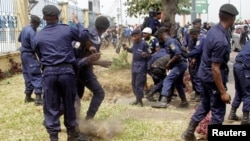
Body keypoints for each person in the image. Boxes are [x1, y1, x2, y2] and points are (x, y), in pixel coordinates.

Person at [32, 5, 91, 141]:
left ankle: (54, 137)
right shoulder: (67, 30)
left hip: (49, 73)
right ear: (58, 17)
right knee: (69, 103)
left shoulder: (38, 36)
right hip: (67, 72)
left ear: (44, 18)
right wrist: (77, 22)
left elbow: (39, 55)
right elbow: (84, 36)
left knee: (51, 105)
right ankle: (73, 135)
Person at [181, 3, 238, 141]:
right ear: (232, 19)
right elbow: (215, 68)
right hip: (212, 79)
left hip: (203, 76)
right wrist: (223, 92)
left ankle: (188, 133)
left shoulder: (213, 31)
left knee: (205, 105)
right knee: (218, 111)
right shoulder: (221, 40)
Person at [74, 16, 111, 120]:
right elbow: (85, 59)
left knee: (77, 97)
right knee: (99, 93)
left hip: (78, 69)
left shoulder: (86, 32)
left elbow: (80, 28)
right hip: (82, 70)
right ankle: (88, 120)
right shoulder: (92, 37)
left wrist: (76, 21)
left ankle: (74, 121)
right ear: (105, 29)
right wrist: (99, 62)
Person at [151, 27, 188, 108]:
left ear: (161, 34)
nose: (158, 38)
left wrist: (169, 63)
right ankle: (184, 101)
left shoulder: (170, 41)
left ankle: (163, 101)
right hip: (180, 64)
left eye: (158, 35)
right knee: (178, 83)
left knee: (168, 80)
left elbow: (177, 54)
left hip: (180, 64)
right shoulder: (168, 42)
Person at [18, 15, 43, 106]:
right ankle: (38, 98)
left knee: (27, 74)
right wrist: (40, 57)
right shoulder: (32, 32)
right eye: (38, 24)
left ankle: (28, 97)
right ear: (36, 23)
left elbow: (19, 39)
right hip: (29, 54)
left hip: (23, 54)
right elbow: (35, 46)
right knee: (36, 74)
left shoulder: (25, 28)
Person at [123, 29, 150, 107]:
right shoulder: (135, 43)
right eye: (133, 37)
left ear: (139, 35)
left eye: (135, 36)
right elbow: (133, 51)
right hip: (134, 67)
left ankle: (140, 101)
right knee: (134, 84)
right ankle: (137, 99)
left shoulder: (144, 44)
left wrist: (146, 55)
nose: (133, 38)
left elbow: (150, 55)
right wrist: (127, 48)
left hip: (141, 67)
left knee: (139, 84)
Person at [227, 40, 250, 124]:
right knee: (248, 93)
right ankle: (245, 119)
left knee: (239, 91)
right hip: (245, 68)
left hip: (237, 66)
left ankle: (232, 113)